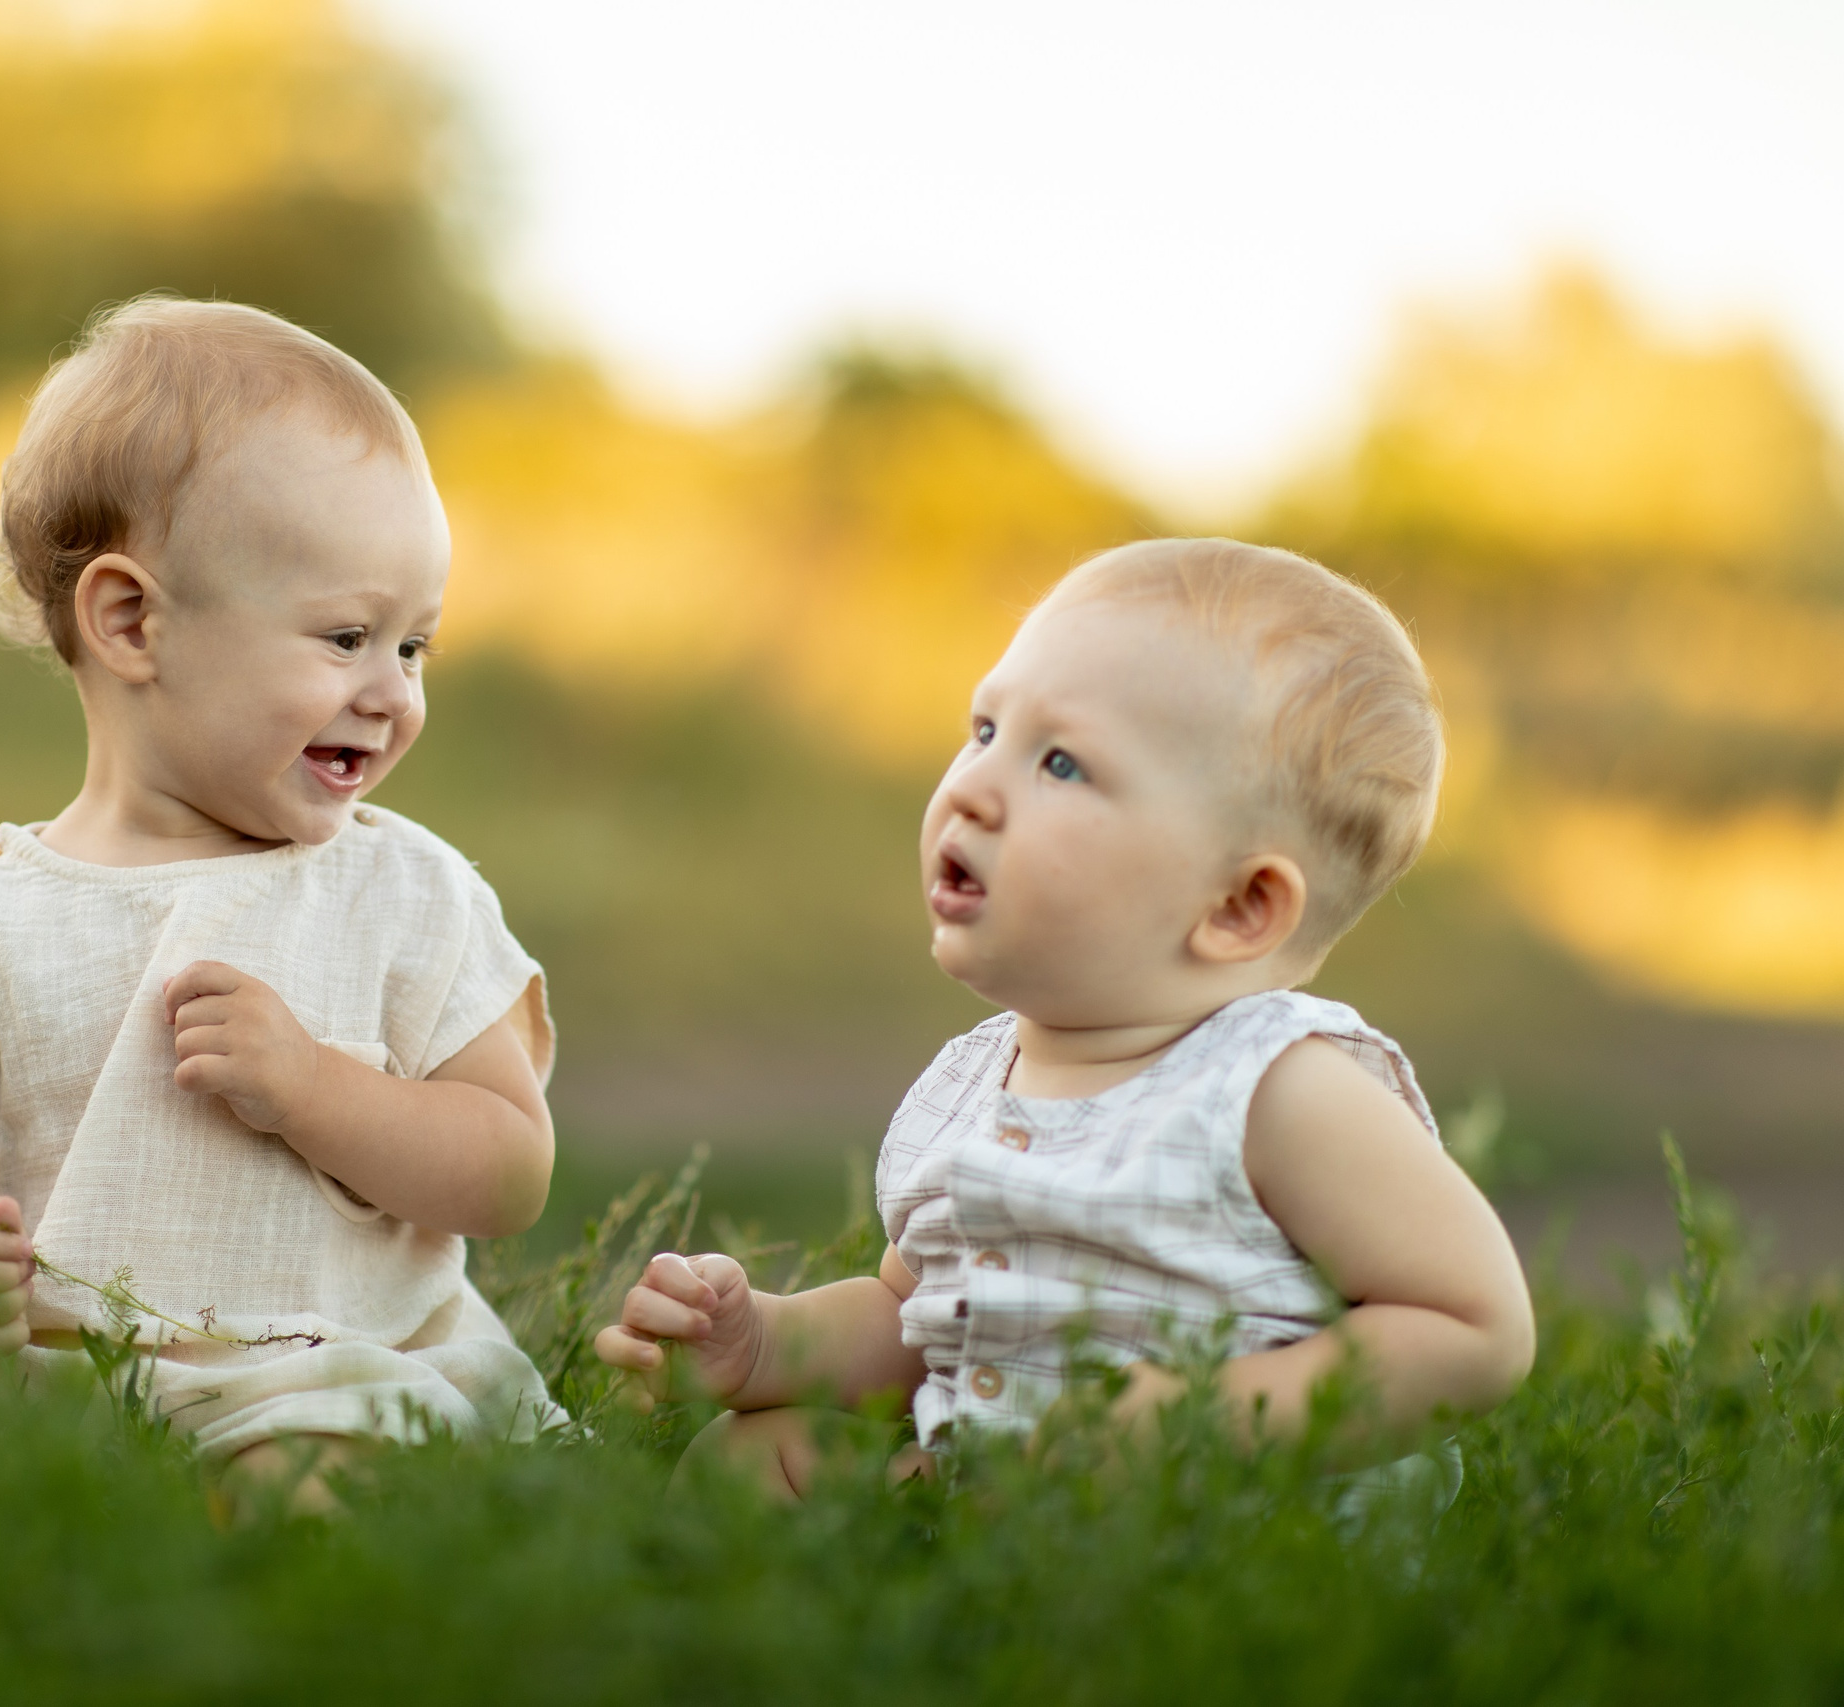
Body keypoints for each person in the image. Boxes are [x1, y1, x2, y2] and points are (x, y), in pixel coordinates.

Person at [0, 298, 564, 1479]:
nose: (392, 693)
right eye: (346, 637)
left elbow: (506, 1168)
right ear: (131, 619)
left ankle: (210, 1515)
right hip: (38, 1372)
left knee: (334, 1460)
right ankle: (15, 1485)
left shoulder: (402, 895)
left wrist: (314, 1088)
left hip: (310, 1370)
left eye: (414, 648)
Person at [595, 538, 1535, 1498]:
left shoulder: (1276, 1088)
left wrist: (1204, 1420)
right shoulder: (971, 1084)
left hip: (1231, 1512)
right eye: (983, 729)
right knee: (752, 1459)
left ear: (1237, 906)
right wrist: (765, 1344)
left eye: (1059, 762)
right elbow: (916, 1319)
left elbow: (1472, 1324)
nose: (970, 784)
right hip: (1003, 1487)